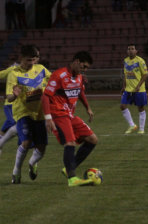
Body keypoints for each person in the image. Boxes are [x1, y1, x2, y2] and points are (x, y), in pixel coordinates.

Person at [41, 51, 98, 187]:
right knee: (70, 142)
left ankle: (69, 168)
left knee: (92, 139)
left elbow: (80, 91)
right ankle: (72, 179)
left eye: (86, 68)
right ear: (77, 61)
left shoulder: (79, 77)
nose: (84, 70)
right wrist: (48, 118)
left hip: (70, 115)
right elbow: (46, 96)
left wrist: (87, 108)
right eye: (83, 67)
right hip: (58, 113)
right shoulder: (59, 75)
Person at [6, 45, 51, 183]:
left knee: (41, 148)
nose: (31, 63)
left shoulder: (41, 69)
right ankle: (16, 172)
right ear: (21, 58)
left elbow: (54, 81)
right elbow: (9, 97)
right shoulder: (14, 74)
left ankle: (32, 163)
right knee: (26, 142)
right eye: (28, 60)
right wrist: (14, 94)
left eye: (33, 60)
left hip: (40, 113)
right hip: (23, 112)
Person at [0, 47, 40, 156]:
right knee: (14, 124)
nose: (34, 61)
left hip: (24, 106)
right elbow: (1, 75)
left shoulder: (36, 71)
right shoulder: (13, 69)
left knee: (18, 128)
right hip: (11, 104)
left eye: (35, 58)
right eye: (30, 59)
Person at [120, 44, 148, 134]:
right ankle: (132, 125)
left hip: (139, 90)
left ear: (136, 51)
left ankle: (141, 129)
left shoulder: (140, 61)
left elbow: (145, 74)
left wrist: (139, 85)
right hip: (128, 89)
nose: (130, 51)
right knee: (122, 106)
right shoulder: (125, 61)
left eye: (132, 49)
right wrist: (124, 86)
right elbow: (125, 74)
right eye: (129, 49)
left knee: (140, 108)